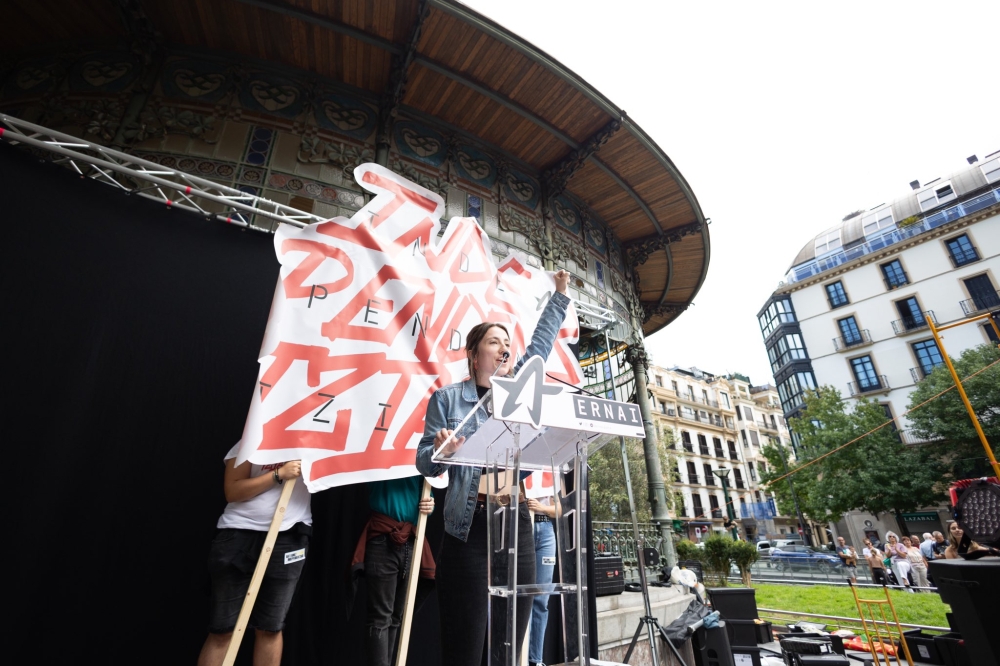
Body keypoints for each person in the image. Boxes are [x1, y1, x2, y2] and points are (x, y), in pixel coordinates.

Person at [416, 269, 572, 666]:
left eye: (507, 343)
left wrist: (560, 295)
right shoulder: (447, 400)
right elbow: (423, 462)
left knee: (509, 638)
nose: (504, 349)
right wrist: (442, 452)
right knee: (464, 642)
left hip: (514, 521)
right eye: (494, 342)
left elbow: (538, 346)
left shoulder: (516, 394)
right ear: (473, 353)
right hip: (469, 526)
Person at [198, 446, 310, 666]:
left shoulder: (312, 445)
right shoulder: (250, 441)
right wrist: (278, 475)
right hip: (237, 536)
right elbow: (233, 491)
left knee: (271, 627)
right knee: (223, 629)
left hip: (289, 538)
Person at [351, 477, 436, 666]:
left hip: (412, 539)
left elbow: (428, 491)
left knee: (397, 616)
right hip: (382, 537)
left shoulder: (422, 454)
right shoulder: (382, 452)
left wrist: (430, 503)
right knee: (381, 617)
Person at [527, 495, 558, 666]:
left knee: (541, 599)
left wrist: (542, 507)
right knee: (523, 598)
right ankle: (520, 657)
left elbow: (560, 509)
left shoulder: (551, 471)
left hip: (546, 530)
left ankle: (536, 659)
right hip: (522, 525)